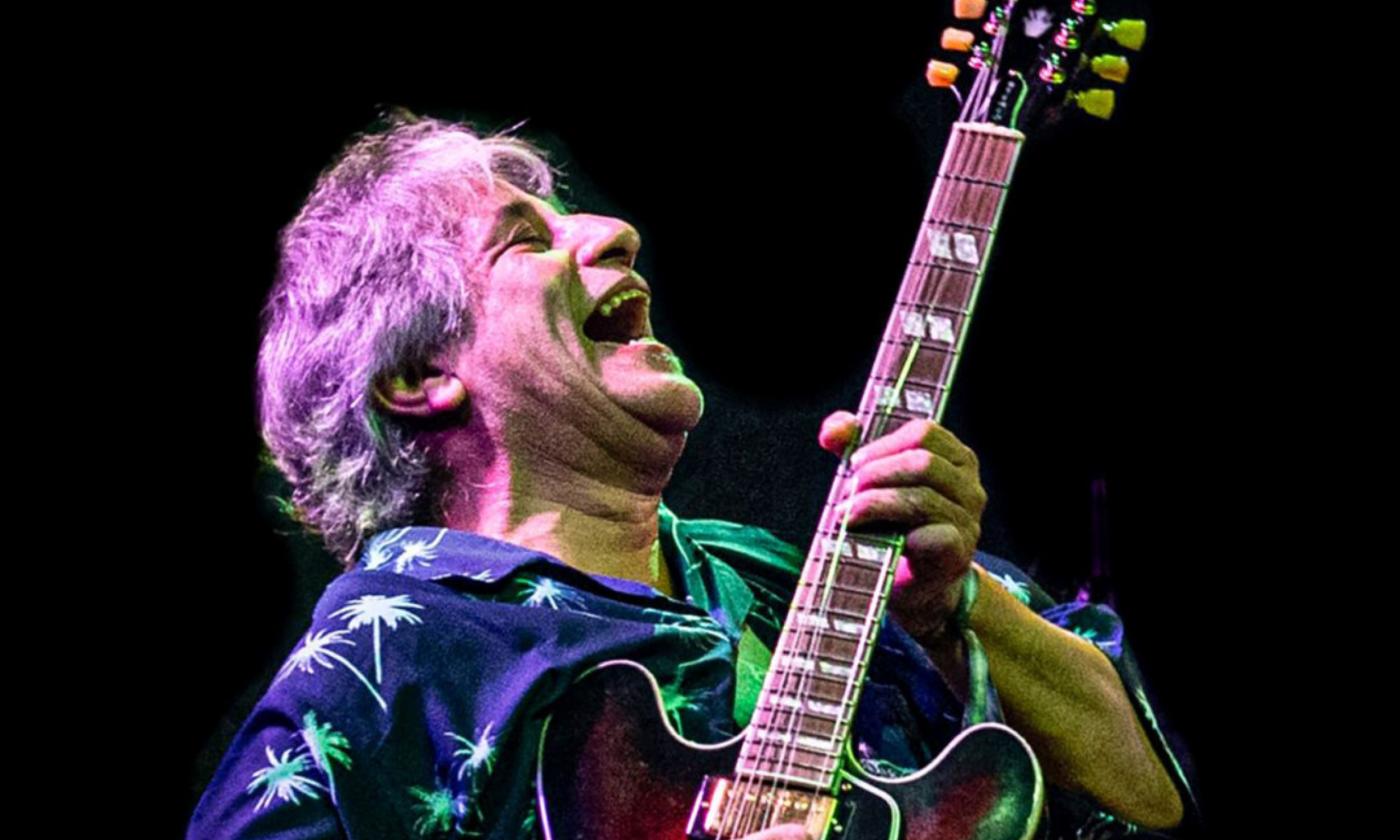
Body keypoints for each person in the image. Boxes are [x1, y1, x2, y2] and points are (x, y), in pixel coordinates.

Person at [188, 112, 1195, 839]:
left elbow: (1147, 802)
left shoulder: (782, 582)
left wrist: (957, 612)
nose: (614, 233)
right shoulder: (368, 689)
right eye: (525, 240)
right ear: (417, 375)